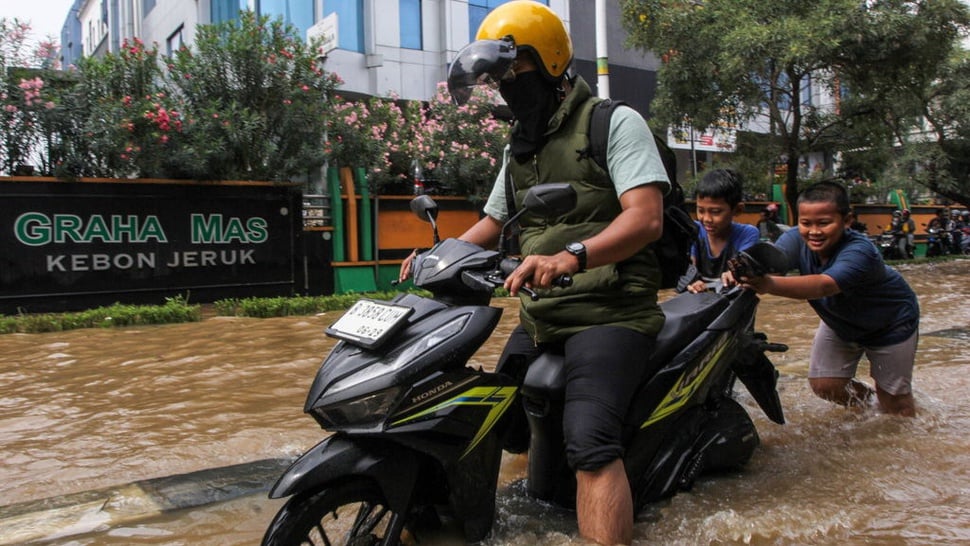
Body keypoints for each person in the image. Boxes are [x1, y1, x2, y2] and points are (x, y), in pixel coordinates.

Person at [400, 3, 669, 544]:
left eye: (512, 71)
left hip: (610, 312)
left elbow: (646, 218)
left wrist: (571, 255)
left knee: (591, 442)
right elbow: (493, 223)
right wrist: (436, 255)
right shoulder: (520, 146)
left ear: (549, 60)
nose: (503, 86)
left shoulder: (613, 122)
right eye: (495, 78)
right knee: (494, 418)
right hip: (542, 314)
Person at [732, 180, 919, 417]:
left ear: (847, 220)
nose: (814, 232)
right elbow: (771, 262)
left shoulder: (861, 251)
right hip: (840, 321)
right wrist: (740, 269)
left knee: (897, 406)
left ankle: (893, 412)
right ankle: (875, 408)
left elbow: (824, 285)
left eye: (824, 223)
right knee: (825, 385)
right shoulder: (795, 239)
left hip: (890, 324)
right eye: (805, 223)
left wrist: (768, 284)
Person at [684, 169, 760, 293]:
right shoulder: (694, 231)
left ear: (737, 210)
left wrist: (734, 274)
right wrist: (692, 281)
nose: (707, 219)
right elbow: (688, 265)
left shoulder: (747, 234)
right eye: (701, 211)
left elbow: (743, 266)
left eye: (715, 212)